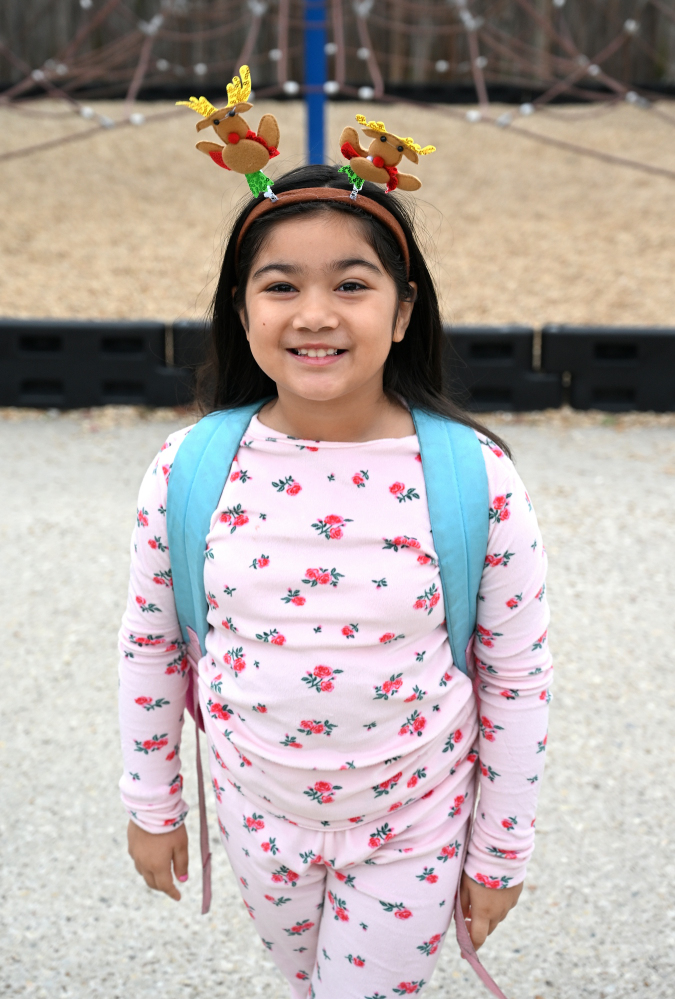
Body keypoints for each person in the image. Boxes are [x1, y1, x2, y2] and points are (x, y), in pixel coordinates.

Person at [119, 164, 552, 999]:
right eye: (280, 285)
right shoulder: (187, 469)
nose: (314, 313)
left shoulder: (475, 477)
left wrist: (500, 848)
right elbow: (152, 643)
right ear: (240, 308)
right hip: (255, 814)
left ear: (403, 311)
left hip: (414, 819)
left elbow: (517, 673)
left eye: (351, 284)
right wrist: (152, 803)